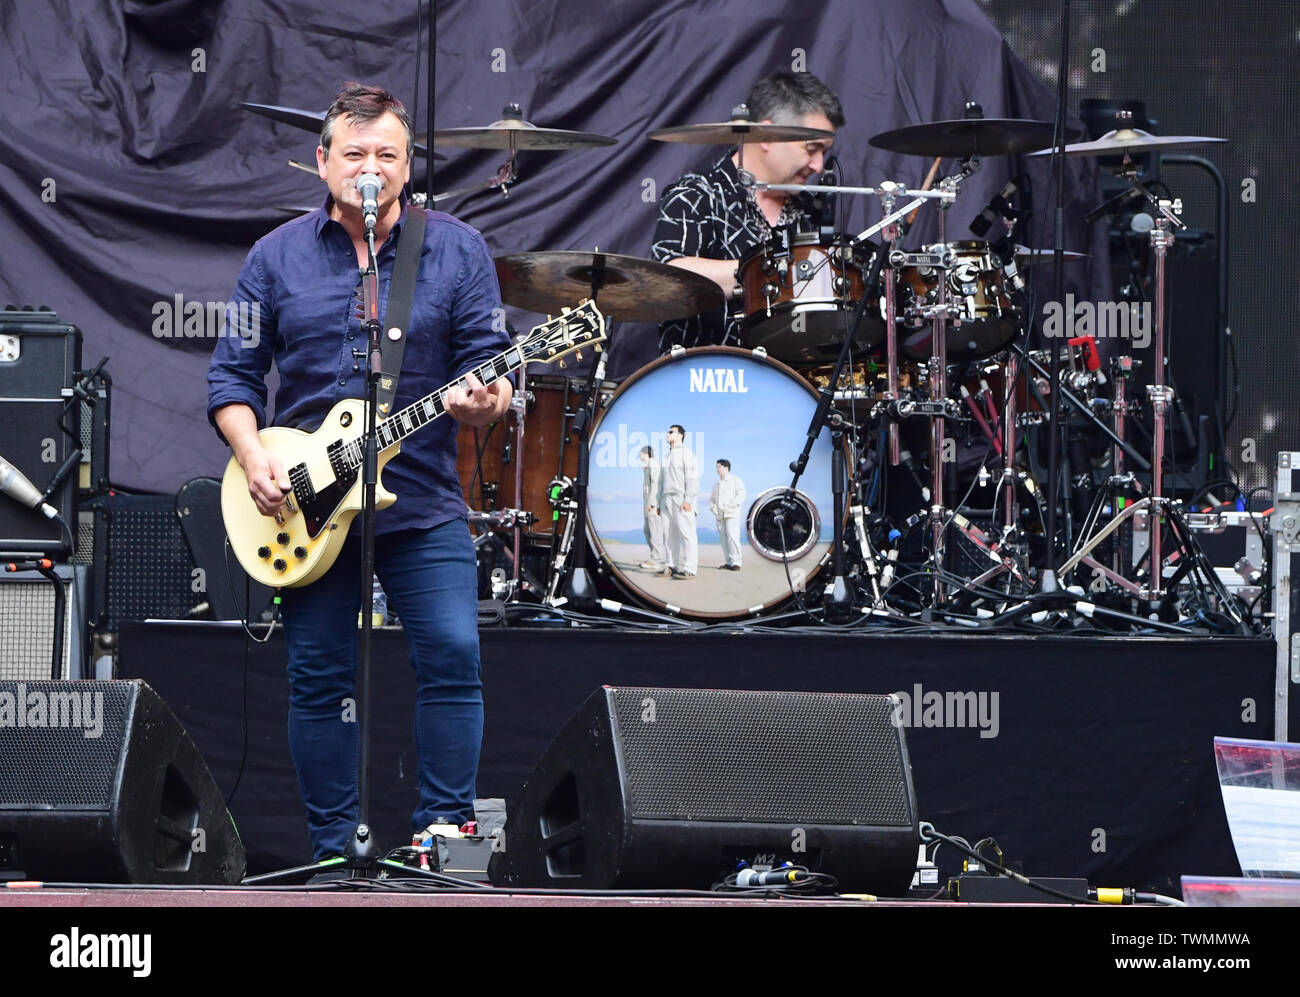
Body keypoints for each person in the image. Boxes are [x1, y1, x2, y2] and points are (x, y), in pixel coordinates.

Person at [206, 82, 512, 861]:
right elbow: (231, 381)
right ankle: (336, 848)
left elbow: (489, 363)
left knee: (451, 651)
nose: (369, 166)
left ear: (408, 168)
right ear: (322, 162)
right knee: (318, 674)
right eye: (354, 153)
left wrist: (489, 401)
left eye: (386, 154)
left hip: (422, 498)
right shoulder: (272, 256)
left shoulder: (456, 247)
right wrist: (254, 456)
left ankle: (442, 836)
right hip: (305, 504)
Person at [651, 71, 844, 350]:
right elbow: (666, 280)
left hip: (790, 381)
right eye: (812, 148)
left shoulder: (809, 212)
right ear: (767, 135)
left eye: (824, 153)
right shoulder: (697, 195)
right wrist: (769, 270)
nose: (817, 165)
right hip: (703, 382)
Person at [656, 424, 699, 578]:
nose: (667, 434)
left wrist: (688, 500)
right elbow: (660, 483)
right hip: (666, 499)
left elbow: (692, 479)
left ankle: (690, 568)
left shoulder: (687, 454)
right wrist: (659, 502)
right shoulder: (665, 458)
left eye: (671, 432)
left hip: (682, 498)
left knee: (687, 533)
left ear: (680, 435)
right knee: (668, 534)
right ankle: (670, 565)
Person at [709, 459, 746, 570]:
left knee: (732, 536)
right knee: (723, 539)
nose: (717, 469)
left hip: (731, 514)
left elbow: (741, 494)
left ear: (726, 468)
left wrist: (732, 505)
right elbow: (711, 501)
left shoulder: (735, 480)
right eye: (716, 467)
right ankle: (728, 562)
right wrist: (714, 510)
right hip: (720, 516)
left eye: (719, 467)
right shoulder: (716, 485)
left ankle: (736, 562)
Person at [638, 444, 667, 571]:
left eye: (641, 453)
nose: (640, 456)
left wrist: (652, 504)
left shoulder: (653, 464)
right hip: (648, 505)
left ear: (646, 453)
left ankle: (656, 560)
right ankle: (655, 556)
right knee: (647, 530)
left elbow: (656, 485)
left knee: (655, 531)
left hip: (653, 504)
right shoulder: (648, 466)